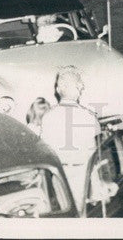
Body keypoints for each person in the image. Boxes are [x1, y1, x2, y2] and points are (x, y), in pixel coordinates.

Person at [39, 66, 101, 212]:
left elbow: (44, 149)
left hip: (58, 175)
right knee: (80, 214)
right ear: (79, 90)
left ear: (58, 90)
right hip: (81, 175)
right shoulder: (89, 116)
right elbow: (94, 154)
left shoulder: (47, 117)